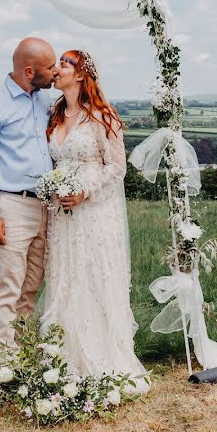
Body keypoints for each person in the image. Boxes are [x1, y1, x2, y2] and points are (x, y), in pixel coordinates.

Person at [40, 49, 149, 392]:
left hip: (95, 211)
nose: (55, 69)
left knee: (93, 277)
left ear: (82, 74)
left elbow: (117, 167)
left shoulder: (103, 116)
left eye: (63, 63)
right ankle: (63, 359)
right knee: (66, 279)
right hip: (63, 217)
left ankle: (102, 359)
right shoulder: (54, 115)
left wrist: (84, 191)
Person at [0, 36, 58, 347]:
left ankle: (22, 348)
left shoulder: (45, 100)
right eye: (50, 66)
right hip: (11, 205)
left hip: (46, 206)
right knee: (9, 284)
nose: (56, 71)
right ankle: (5, 359)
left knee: (32, 282)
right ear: (30, 70)